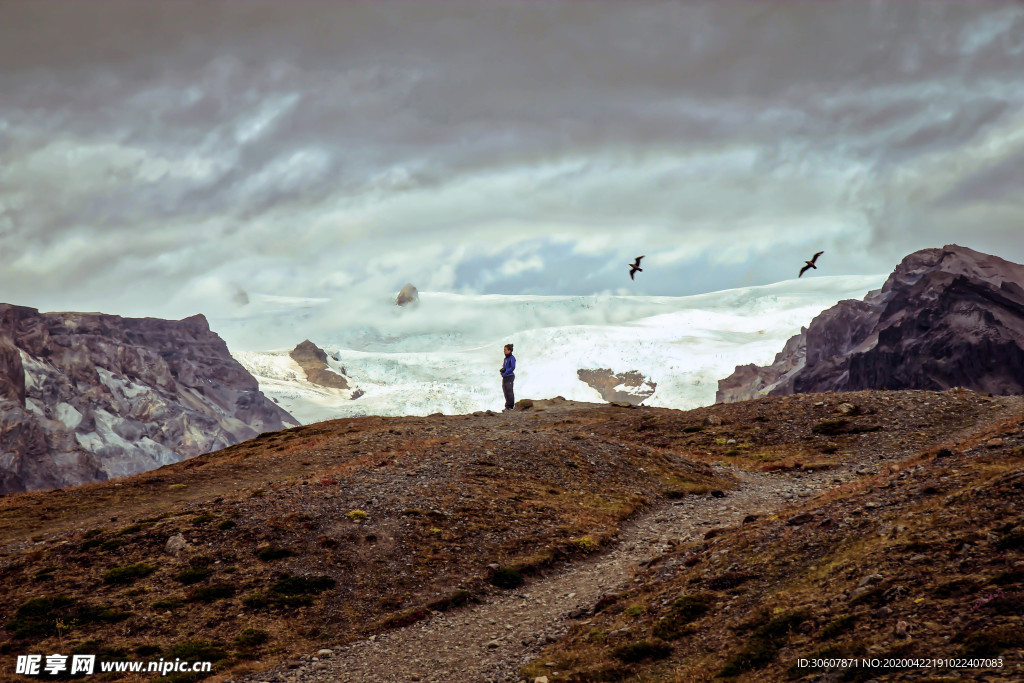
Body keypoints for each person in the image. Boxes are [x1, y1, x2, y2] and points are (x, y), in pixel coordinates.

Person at [500, 343, 516, 411]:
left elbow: (512, 367)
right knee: (505, 391)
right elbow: (504, 367)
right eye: (504, 349)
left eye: (505, 350)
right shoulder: (505, 359)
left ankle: (511, 407)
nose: (504, 351)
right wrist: (502, 372)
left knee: (509, 391)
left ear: (509, 350)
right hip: (505, 377)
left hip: (509, 376)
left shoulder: (512, 358)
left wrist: (505, 372)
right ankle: (507, 406)